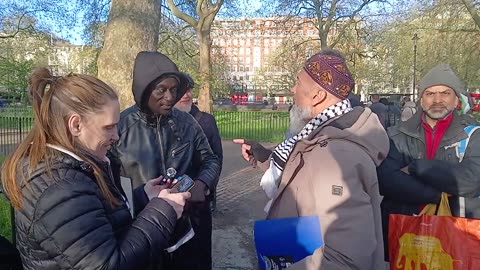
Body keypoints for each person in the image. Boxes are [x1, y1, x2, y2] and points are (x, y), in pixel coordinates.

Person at [0, 68, 190, 270]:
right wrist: (163, 211)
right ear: (75, 125)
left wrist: (144, 197)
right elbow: (107, 265)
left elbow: (98, 220)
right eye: (108, 127)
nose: (116, 136)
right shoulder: (59, 190)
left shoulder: (77, 168)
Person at [234, 50, 389, 269]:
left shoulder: (337, 156)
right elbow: (302, 172)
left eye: (298, 83)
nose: (292, 90)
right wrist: (264, 156)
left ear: (317, 96)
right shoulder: (320, 135)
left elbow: (343, 259)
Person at [112, 51, 221, 270]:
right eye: (161, 90)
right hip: (143, 229)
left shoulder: (187, 123)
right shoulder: (120, 128)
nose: (170, 97)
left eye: (173, 89)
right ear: (144, 91)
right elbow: (109, 183)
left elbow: (211, 159)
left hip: (189, 227)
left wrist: (202, 183)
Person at [377, 63, 480, 261]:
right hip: (406, 230)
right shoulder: (397, 134)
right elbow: (387, 180)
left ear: (455, 98)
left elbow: (471, 180)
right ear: (421, 99)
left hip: (456, 233)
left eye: (445, 93)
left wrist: (418, 167)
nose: (438, 100)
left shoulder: (473, 134)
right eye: (430, 93)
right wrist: (437, 195)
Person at [175, 73, 223, 212]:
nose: (186, 95)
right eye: (182, 91)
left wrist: (207, 188)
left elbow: (217, 158)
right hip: (171, 197)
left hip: (198, 195)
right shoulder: (164, 124)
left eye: (189, 90)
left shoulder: (206, 121)